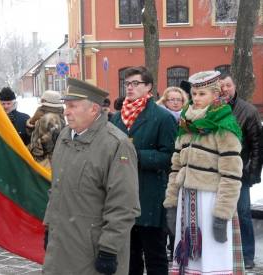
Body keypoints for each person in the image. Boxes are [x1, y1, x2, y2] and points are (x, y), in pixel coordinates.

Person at [43, 77, 140, 275]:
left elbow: (124, 203)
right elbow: (57, 189)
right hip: (61, 243)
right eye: (66, 106)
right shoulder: (64, 136)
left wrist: (109, 249)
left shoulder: (116, 144)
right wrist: (49, 225)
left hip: (92, 248)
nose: (66, 111)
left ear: (94, 110)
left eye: (73, 106)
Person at [164, 71, 244, 274]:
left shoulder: (225, 126)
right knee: (189, 261)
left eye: (202, 94)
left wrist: (222, 215)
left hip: (212, 202)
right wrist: (171, 202)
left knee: (213, 259)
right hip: (186, 199)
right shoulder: (186, 124)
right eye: (194, 94)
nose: (196, 99)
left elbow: (231, 175)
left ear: (215, 95)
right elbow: (175, 167)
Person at [111, 66, 176, 275]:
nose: (129, 87)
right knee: (129, 257)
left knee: (155, 256)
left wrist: (137, 156)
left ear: (148, 86)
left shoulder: (162, 117)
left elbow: (170, 157)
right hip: (123, 196)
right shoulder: (116, 118)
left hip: (150, 195)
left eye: (135, 83)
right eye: (127, 83)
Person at [220, 73, 262, 270]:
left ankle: (247, 254)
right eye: (221, 87)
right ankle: (224, 253)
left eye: (228, 85)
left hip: (239, 172)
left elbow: (257, 145)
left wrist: (252, 172)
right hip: (216, 172)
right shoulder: (213, 110)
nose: (224, 89)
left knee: (242, 213)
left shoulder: (248, 111)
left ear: (234, 86)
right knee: (220, 214)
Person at [26, 90, 65, 168]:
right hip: (52, 159)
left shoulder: (49, 118)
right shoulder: (56, 115)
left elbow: (46, 144)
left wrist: (31, 152)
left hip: (45, 161)